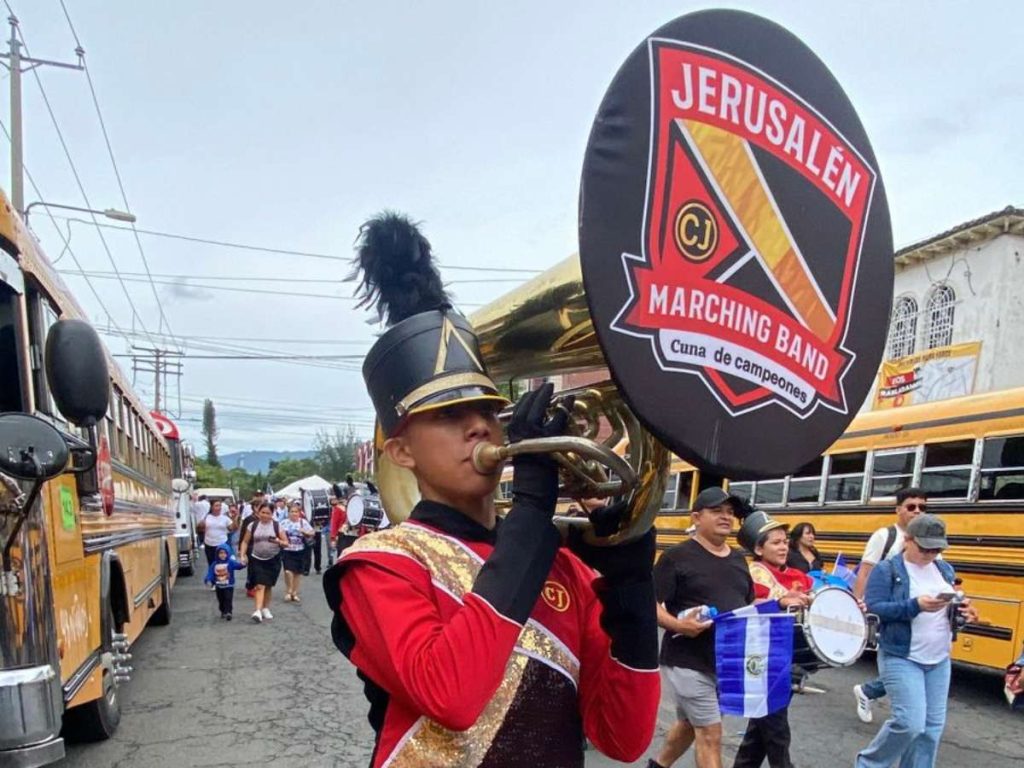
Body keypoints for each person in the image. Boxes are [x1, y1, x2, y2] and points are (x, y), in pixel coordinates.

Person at [324, 213, 660, 767]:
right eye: (450, 414)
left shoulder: (564, 568)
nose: (478, 425)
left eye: (488, 409)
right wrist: (531, 511)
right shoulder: (380, 565)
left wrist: (630, 577)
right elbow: (451, 696)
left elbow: (623, 739)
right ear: (401, 451)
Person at [856, 514, 977, 768]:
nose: (930, 554)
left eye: (936, 549)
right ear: (908, 540)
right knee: (909, 723)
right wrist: (915, 605)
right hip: (901, 655)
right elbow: (875, 608)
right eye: (925, 548)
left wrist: (963, 612)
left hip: (939, 657)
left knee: (931, 730)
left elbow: (950, 612)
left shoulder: (944, 568)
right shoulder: (887, 569)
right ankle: (869, 764)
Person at [651, 487, 755, 768]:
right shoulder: (676, 556)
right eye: (717, 511)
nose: (726, 517)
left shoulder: (737, 559)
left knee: (688, 724)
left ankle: (657, 765)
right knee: (711, 732)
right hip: (687, 661)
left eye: (730, 512)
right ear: (696, 517)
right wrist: (679, 625)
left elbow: (748, 605)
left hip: (724, 661)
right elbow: (650, 604)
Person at [733, 512, 813, 768]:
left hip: (791, 656)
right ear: (758, 548)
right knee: (776, 728)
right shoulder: (751, 573)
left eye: (785, 541)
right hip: (760, 656)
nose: (783, 547)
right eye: (775, 542)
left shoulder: (799, 576)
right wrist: (778, 601)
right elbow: (744, 606)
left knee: (761, 726)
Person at [852, 488, 929, 723]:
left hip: (921, 614)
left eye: (922, 507)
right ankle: (904, 719)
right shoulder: (885, 536)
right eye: (911, 506)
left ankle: (869, 691)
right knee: (901, 662)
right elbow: (865, 572)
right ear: (898, 510)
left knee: (918, 665)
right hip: (889, 610)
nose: (917, 511)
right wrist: (856, 605)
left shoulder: (928, 540)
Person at [239, 502, 290, 622]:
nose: (265, 515)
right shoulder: (253, 525)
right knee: (259, 585)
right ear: (258, 512)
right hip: (256, 558)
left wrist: (278, 541)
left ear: (272, 514)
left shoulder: (277, 526)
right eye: (263, 512)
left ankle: (265, 608)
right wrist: (242, 555)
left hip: (273, 559)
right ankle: (257, 611)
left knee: (268, 585)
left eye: (268, 513)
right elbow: (245, 541)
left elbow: (286, 543)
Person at [281, 502, 314, 602]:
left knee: (297, 573)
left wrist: (305, 532)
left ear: (299, 513)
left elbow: (312, 532)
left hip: (300, 549)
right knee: (288, 571)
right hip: (287, 549)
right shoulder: (283, 523)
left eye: (296, 512)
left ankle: (294, 592)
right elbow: (278, 532)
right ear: (288, 513)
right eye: (292, 511)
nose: (294, 513)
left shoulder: (303, 522)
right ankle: (288, 590)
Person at [203, 543, 246, 620]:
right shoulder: (215, 564)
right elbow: (211, 572)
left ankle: (229, 612)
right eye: (220, 553)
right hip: (219, 585)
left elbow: (238, 566)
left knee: (228, 598)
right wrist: (208, 578)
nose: (222, 555)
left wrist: (243, 564)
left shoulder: (230, 562)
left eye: (224, 553)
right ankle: (223, 611)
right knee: (221, 599)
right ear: (217, 554)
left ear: (228, 553)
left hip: (229, 585)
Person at [199, 499, 235, 571]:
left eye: (220, 506)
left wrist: (235, 518)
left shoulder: (225, 518)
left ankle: (223, 580)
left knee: (222, 564)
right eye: (216, 506)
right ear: (212, 507)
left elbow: (232, 529)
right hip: (209, 545)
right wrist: (201, 525)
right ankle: (214, 580)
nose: (219, 508)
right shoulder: (206, 517)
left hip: (222, 544)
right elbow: (200, 530)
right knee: (212, 564)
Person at [328, 494, 352, 560]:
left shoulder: (352, 507)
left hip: (352, 535)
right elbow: (334, 523)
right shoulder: (338, 509)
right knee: (342, 554)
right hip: (342, 534)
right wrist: (333, 538)